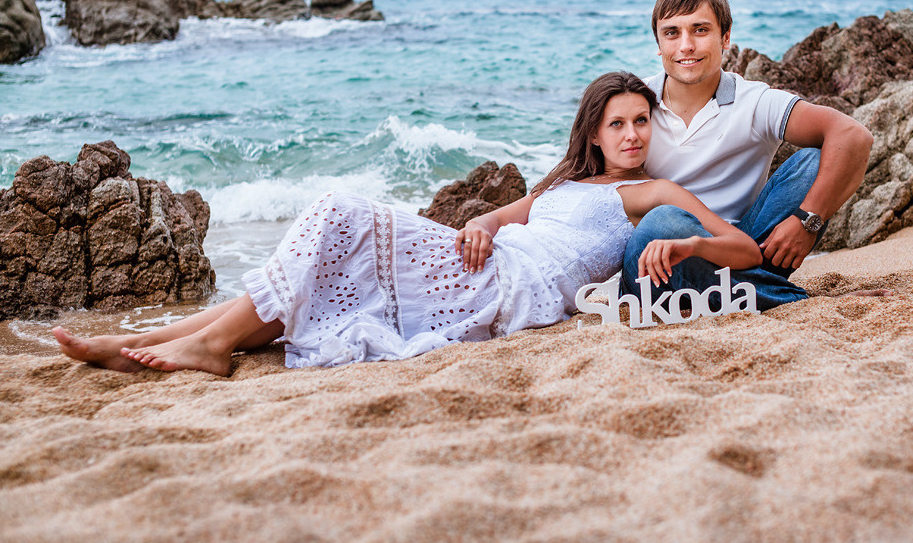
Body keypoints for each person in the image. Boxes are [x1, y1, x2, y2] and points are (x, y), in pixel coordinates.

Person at [53, 72, 762, 376]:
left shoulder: (650, 190)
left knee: (339, 212)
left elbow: (744, 245)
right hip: (492, 257)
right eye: (620, 124)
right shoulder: (567, 182)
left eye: (643, 121)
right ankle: (153, 340)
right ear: (596, 133)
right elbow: (501, 214)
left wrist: (691, 240)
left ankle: (202, 341)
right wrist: (482, 221)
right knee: (328, 271)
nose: (634, 134)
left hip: (514, 287)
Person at [622, 0, 875, 309]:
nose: (685, 45)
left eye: (700, 30)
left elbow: (854, 137)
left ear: (725, 37)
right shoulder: (636, 101)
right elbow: (579, 172)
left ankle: (753, 289)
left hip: (745, 252)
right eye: (672, 33)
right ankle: (789, 300)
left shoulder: (754, 101)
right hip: (658, 264)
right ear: (658, 43)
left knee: (812, 162)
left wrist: (807, 220)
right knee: (665, 220)